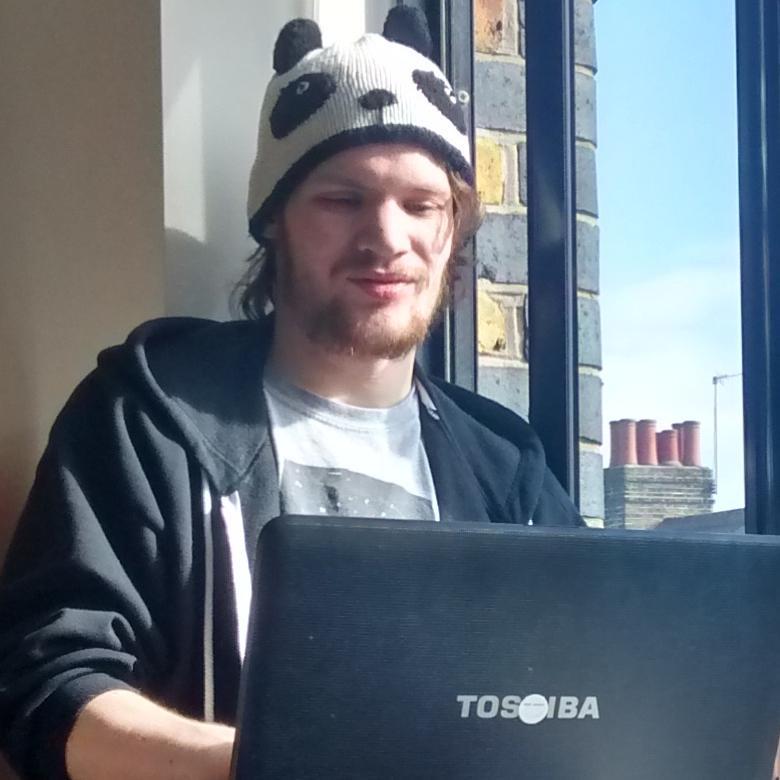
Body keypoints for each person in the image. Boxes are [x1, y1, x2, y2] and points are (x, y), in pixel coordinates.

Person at [0, 8, 582, 780]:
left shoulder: (506, 466)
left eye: (420, 204)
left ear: (453, 231)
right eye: (343, 200)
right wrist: (265, 766)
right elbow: (46, 686)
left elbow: (595, 684)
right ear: (274, 219)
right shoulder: (148, 418)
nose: (387, 238)